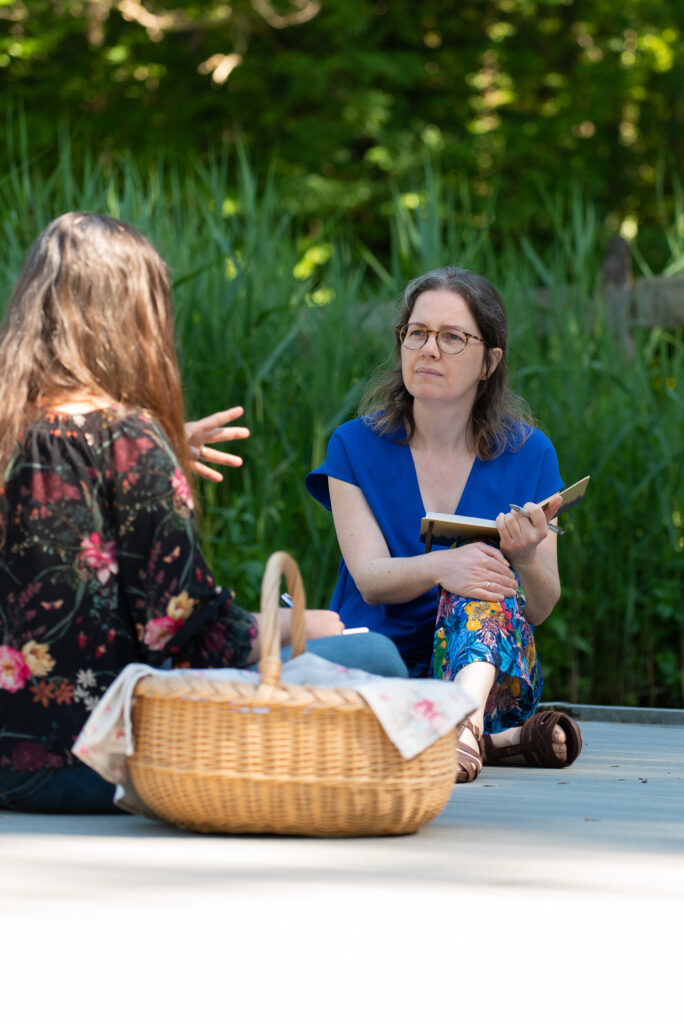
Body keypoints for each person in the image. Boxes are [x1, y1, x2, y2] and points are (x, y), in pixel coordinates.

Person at [0, 212, 405, 815]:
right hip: (96, 759)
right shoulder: (129, 441)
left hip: (10, 756)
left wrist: (147, 453)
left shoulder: (19, 428)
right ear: (131, 315)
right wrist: (304, 626)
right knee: (374, 656)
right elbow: (188, 632)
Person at [306, 265, 582, 783]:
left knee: (484, 578)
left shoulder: (531, 454)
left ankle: (463, 725)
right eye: (417, 332)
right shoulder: (354, 445)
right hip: (376, 666)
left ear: (489, 362)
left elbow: (541, 607)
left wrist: (522, 557)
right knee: (470, 566)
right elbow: (368, 578)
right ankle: (493, 742)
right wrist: (443, 565)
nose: (428, 349)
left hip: (484, 675)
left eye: (453, 337)